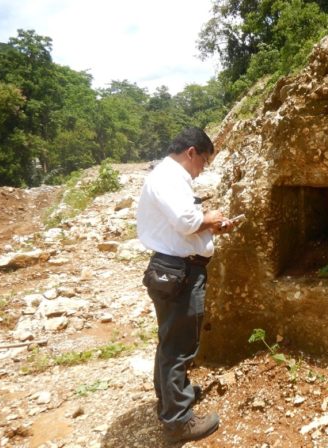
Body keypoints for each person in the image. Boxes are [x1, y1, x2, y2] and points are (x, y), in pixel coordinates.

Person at [136, 127, 232, 443]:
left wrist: (210, 228)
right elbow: (186, 222)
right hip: (179, 272)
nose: (202, 169)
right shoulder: (169, 178)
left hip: (175, 268)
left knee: (171, 341)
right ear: (191, 152)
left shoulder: (168, 178)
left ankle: (172, 399)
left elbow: (183, 227)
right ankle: (178, 421)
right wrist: (212, 216)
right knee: (178, 346)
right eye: (203, 162)